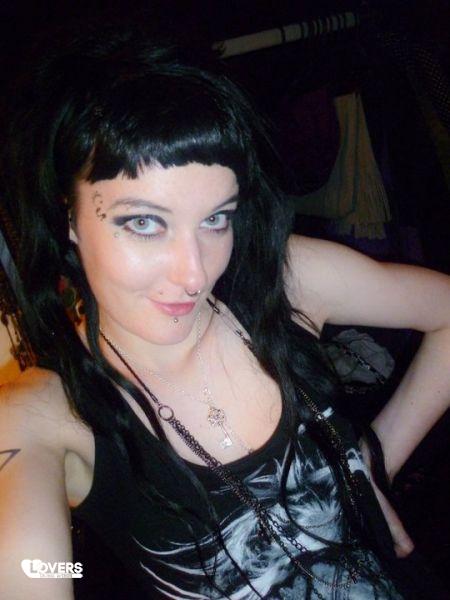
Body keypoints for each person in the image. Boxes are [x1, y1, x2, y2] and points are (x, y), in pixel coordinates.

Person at [0, 23, 449, 600]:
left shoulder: (285, 283)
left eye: (216, 219)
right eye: (144, 222)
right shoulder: (42, 415)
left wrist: (369, 465)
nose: (194, 274)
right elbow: (30, 572)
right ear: (69, 217)